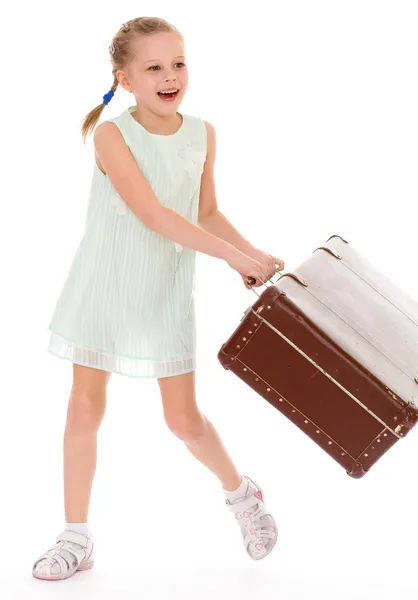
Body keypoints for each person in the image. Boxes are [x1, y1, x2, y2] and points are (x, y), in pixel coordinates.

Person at [32, 16, 285, 581]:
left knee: (183, 419)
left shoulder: (203, 133)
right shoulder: (111, 135)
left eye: (178, 63)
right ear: (124, 78)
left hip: (165, 292)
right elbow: (151, 213)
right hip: (102, 286)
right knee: (83, 407)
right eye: (154, 68)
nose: (170, 76)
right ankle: (76, 535)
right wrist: (230, 257)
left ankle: (242, 494)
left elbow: (204, 211)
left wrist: (251, 253)